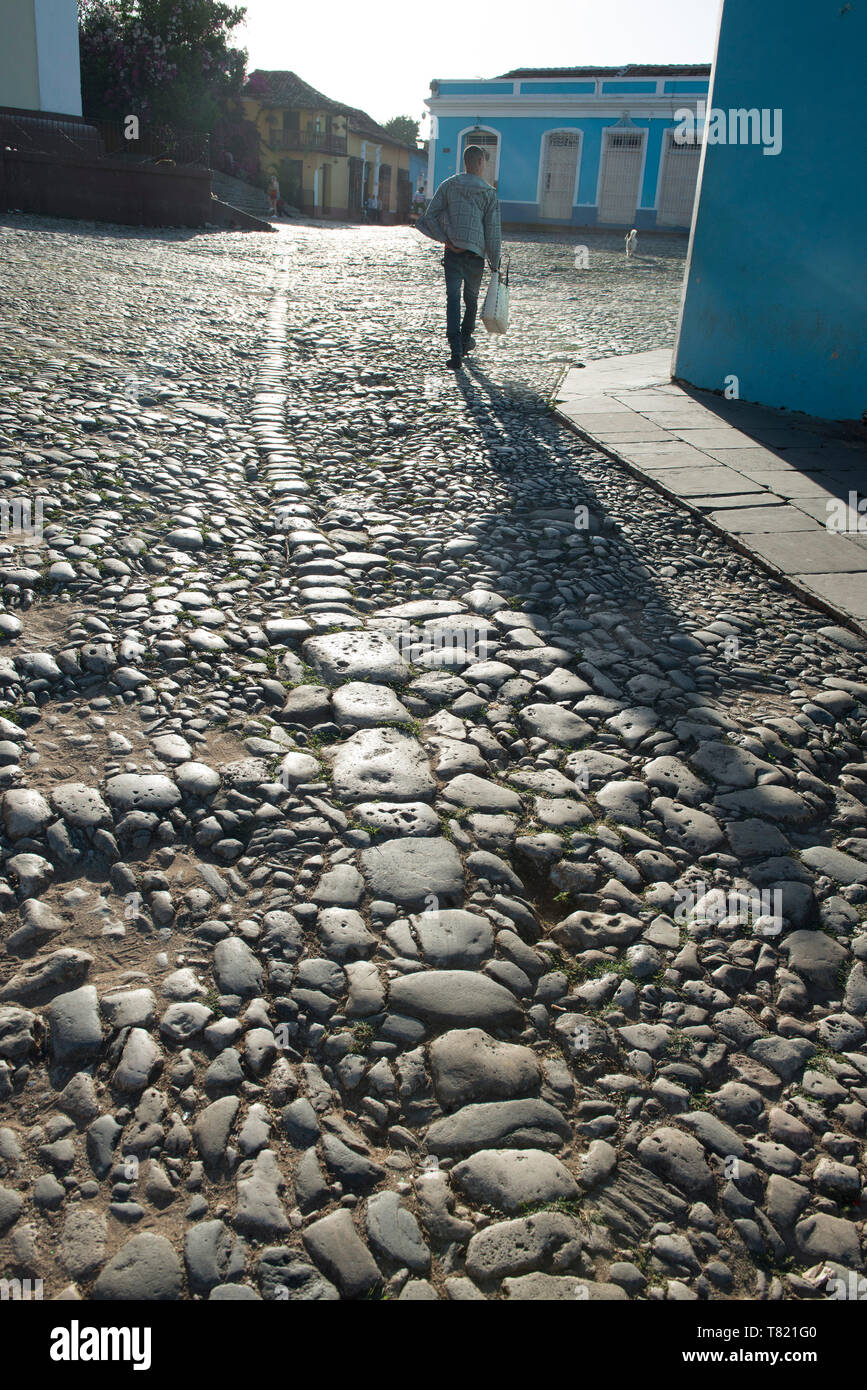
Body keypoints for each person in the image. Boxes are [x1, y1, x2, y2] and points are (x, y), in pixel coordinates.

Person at [415, 145, 501, 369]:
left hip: (452, 253)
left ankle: (455, 351)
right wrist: (495, 263)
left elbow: (429, 216)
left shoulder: (448, 185)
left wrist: (446, 239)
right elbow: (492, 231)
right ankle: (464, 342)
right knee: (470, 300)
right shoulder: (489, 193)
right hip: (475, 256)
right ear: (481, 163)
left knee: (452, 299)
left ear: (465, 162)